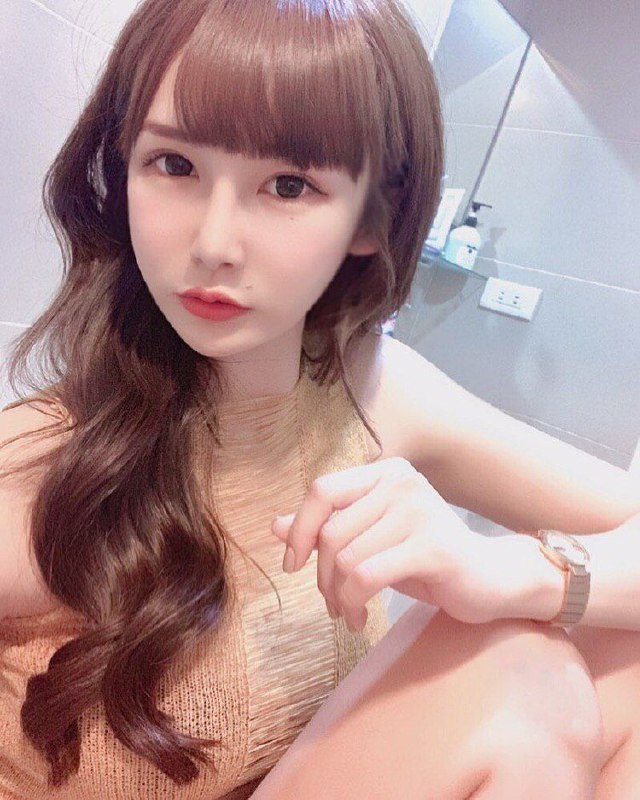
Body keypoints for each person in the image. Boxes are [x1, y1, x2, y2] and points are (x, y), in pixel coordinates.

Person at [0, 0, 639, 797]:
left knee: (618, 656)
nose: (214, 244)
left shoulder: (371, 386)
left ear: (372, 216)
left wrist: (497, 570)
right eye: (175, 165)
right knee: (519, 669)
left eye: (288, 184)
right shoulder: (33, 469)